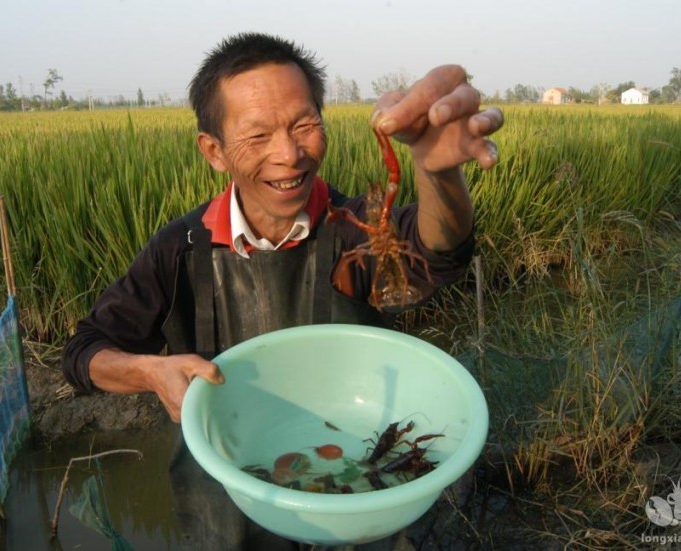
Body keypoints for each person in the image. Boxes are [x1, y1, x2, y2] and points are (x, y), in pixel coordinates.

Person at [62, 32, 502, 549]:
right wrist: (149, 370)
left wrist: (438, 173)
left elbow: (438, 249)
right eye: (257, 135)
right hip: (227, 503)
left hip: (358, 492)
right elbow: (82, 354)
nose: (289, 154)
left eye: (304, 125)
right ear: (214, 150)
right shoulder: (178, 251)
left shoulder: (351, 227)